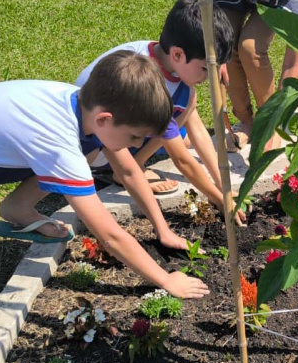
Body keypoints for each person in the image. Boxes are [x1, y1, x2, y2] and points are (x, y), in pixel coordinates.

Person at [0, 51, 210, 363]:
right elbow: (110, 235)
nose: (135, 145)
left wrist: (162, 228)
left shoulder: (86, 111)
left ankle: (18, 207)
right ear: (105, 119)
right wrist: (165, 279)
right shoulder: (58, 138)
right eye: (134, 136)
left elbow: (129, 171)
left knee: (84, 151)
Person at [77, 0, 247, 226]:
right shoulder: (150, 85)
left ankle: (140, 156)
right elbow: (182, 160)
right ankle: (127, 167)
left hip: (114, 129)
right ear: (178, 55)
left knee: (188, 105)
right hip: (96, 148)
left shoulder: (164, 57)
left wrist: (223, 185)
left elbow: (198, 130)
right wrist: (220, 200)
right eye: (205, 69)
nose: (208, 77)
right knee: (182, 116)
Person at [215, 0, 298, 149]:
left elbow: (292, 62)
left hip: (278, 3)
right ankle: (246, 121)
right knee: (226, 44)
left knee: (250, 48)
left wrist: (275, 118)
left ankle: (268, 122)